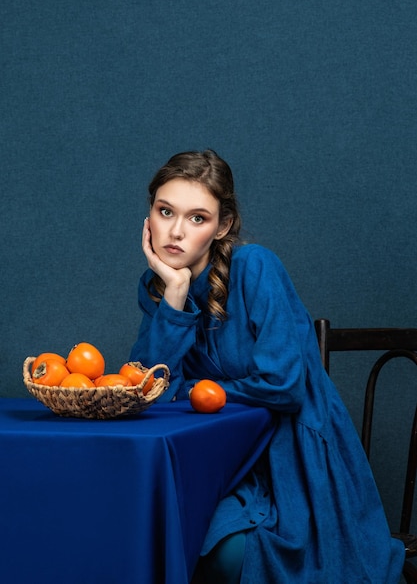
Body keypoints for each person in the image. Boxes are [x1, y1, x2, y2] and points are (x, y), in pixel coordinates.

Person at [129, 149, 404, 583]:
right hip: (221, 456)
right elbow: (143, 388)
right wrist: (177, 293)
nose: (176, 231)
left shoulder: (255, 266)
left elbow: (284, 385)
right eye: (166, 212)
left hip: (290, 454)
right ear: (150, 216)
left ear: (222, 226)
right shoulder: (160, 287)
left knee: (227, 550)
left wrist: (194, 389)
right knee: (151, 525)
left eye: (197, 218)